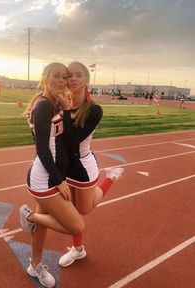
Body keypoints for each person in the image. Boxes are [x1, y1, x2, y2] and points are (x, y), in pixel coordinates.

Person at [50, 61, 124, 267]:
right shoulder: (59, 104)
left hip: (83, 167)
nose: (72, 79)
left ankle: (110, 178)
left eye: (78, 75)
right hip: (65, 167)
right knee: (72, 213)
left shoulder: (94, 110)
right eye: (68, 75)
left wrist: (64, 109)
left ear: (86, 80)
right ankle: (78, 249)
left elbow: (72, 140)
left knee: (83, 210)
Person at [19, 62, 85, 288]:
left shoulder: (54, 104)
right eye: (56, 76)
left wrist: (67, 108)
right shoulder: (43, 106)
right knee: (76, 226)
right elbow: (43, 149)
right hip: (44, 178)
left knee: (44, 226)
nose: (62, 81)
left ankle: (34, 265)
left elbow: (66, 142)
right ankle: (29, 217)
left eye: (64, 77)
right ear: (45, 78)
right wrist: (58, 180)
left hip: (53, 174)